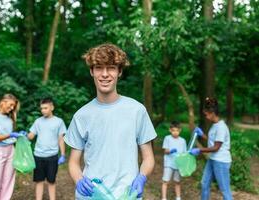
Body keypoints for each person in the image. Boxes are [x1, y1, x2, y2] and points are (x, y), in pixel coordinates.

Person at [64, 43, 157, 199]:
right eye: (99, 68)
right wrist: (79, 179)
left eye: (111, 68)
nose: (105, 74)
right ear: (91, 71)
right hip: (92, 195)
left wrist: (142, 177)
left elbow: (148, 158)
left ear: (119, 72)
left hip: (127, 195)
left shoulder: (137, 110)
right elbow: (73, 162)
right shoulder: (81, 116)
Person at [190, 97, 233, 200]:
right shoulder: (214, 125)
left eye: (206, 114)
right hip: (212, 159)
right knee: (204, 184)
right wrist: (202, 135)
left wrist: (199, 150)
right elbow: (213, 140)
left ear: (212, 113)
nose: (205, 116)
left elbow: (216, 147)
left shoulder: (221, 127)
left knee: (224, 190)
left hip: (221, 161)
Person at [26, 97, 67, 200]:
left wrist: (62, 154)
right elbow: (31, 136)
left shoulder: (59, 122)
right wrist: (24, 135)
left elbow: (60, 139)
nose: (43, 110)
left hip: (52, 156)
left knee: (51, 181)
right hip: (38, 156)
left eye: (45, 108)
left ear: (52, 107)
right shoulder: (38, 121)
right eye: (41, 108)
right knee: (39, 181)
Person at [161, 121, 186, 200]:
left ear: (180, 130)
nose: (175, 132)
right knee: (165, 181)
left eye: (177, 130)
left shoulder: (183, 141)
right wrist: (170, 151)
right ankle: (164, 198)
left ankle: (178, 197)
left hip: (178, 165)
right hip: (169, 163)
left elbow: (184, 153)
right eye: (173, 130)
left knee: (177, 182)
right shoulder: (167, 138)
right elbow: (165, 151)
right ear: (170, 130)